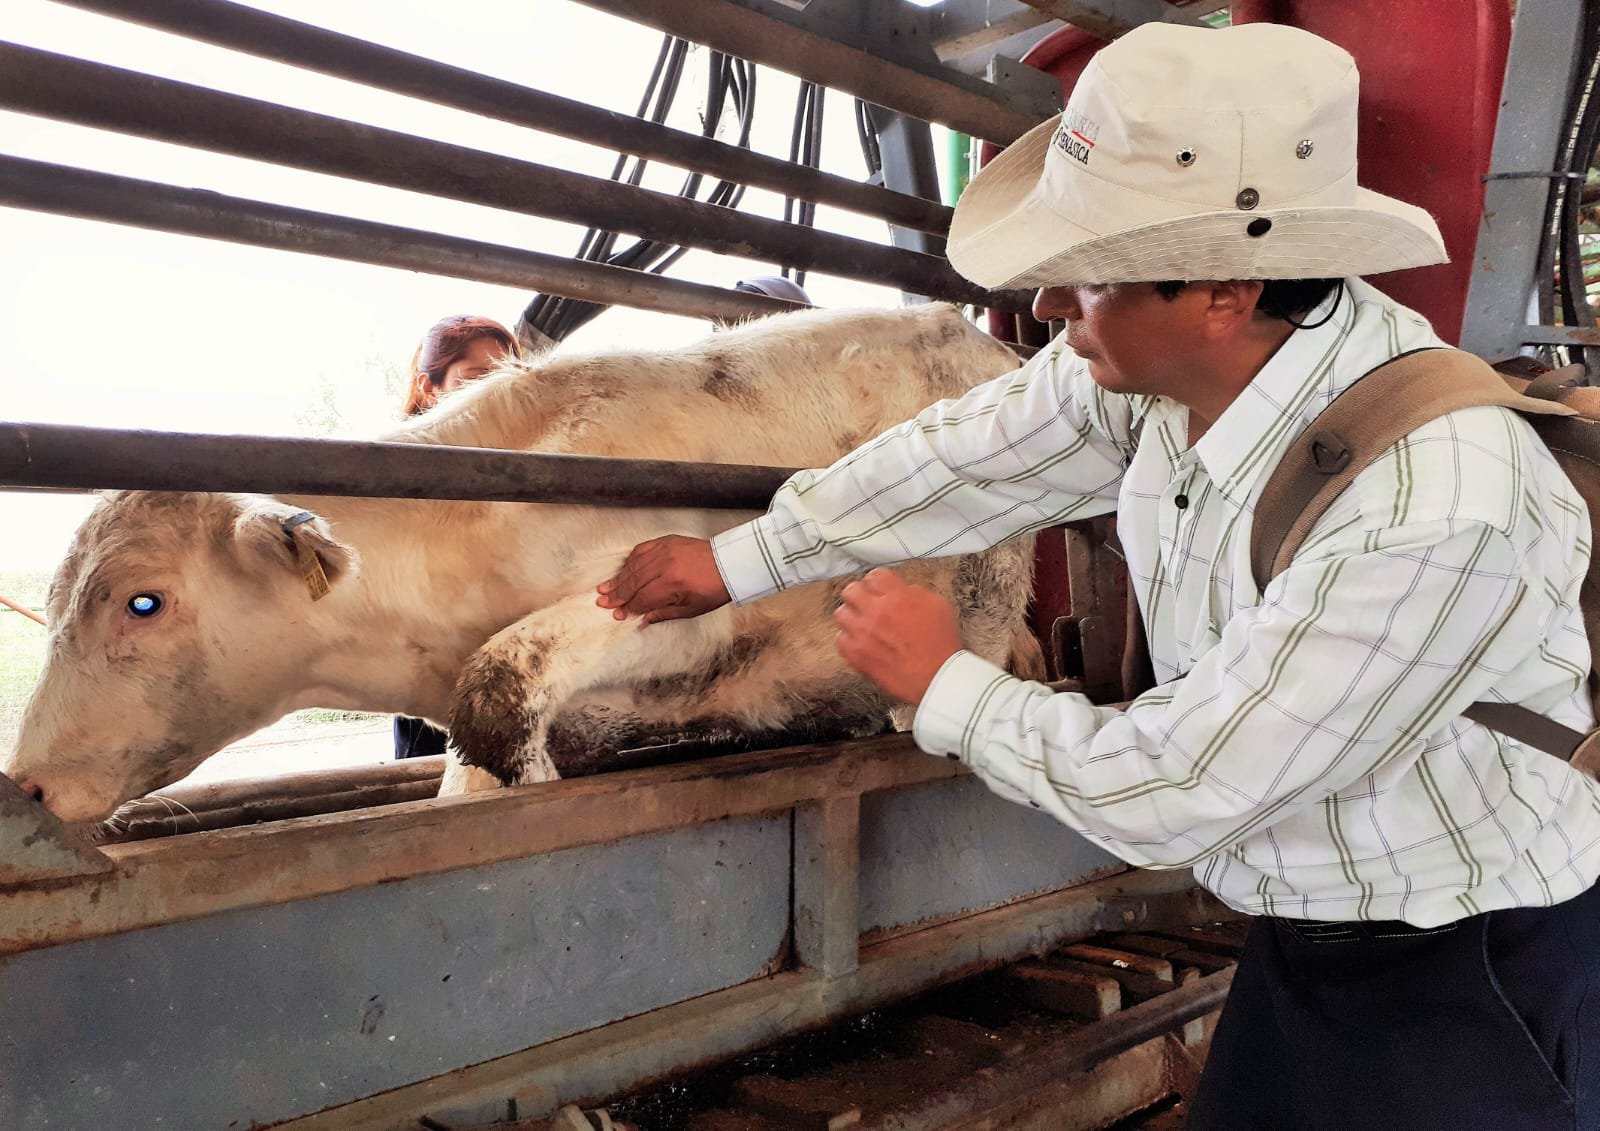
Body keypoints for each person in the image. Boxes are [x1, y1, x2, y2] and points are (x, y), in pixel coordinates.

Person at [596, 22, 1600, 1131]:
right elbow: (971, 453)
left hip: (1466, 961)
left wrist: (946, 686)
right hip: (1307, 924)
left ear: (1223, 288)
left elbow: (1184, 785)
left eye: (1087, 274)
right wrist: (739, 558)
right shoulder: (1164, 372)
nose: (1046, 308)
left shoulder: (1435, 505)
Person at [394, 314, 521, 759]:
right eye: (476, 378)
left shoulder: (524, 469)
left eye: (508, 378)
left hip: (505, 660)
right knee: (429, 777)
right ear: (429, 387)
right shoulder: (395, 471)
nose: (495, 392)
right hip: (428, 665)